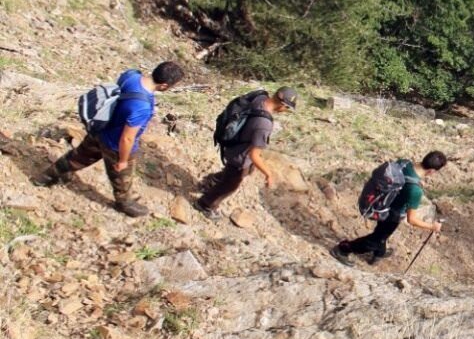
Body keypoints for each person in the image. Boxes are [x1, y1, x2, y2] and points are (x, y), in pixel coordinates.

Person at [35, 62, 186, 217]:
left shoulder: (132, 76)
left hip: (101, 128)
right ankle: (124, 202)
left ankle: (45, 177)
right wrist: (122, 160)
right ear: (164, 86)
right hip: (114, 145)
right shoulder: (142, 106)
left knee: (77, 156)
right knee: (122, 178)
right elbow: (127, 138)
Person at [192, 87, 297, 220]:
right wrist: (268, 174)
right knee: (230, 185)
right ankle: (205, 204)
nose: (285, 111)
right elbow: (254, 155)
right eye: (287, 108)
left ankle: (210, 182)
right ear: (283, 105)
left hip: (233, 143)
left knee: (245, 170)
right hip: (239, 157)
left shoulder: (260, 97)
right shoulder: (264, 124)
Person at [330, 151, 447, 265]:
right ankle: (342, 249)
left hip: (382, 205)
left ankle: (380, 253)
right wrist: (432, 226)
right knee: (375, 240)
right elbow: (412, 220)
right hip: (392, 215)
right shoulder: (415, 191)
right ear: (432, 171)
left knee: (382, 233)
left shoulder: (404, 163)